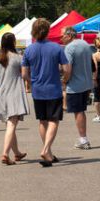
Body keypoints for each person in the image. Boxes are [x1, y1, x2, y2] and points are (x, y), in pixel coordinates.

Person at [21, 18, 71, 167]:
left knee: (42, 121)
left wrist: (31, 82)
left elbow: (24, 74)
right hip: (53, 89)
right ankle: (46, 149)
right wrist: (64, 80)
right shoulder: (56, 48)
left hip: (38, 91)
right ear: (48, 30)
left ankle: (48, 152)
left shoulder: (29, 49)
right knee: (53, 120)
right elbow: (67, 69)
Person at [0, 33, 29, 165]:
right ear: (13, 42)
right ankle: (5, 154)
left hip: (0, 93)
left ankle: (17, 153)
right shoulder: (19, 58)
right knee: (12, 124)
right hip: (14, 93)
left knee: (9, 125)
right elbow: (24, 75)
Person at [61, 26, 94, 150]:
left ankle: (83, 139)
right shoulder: (85, 44)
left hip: (75, 85)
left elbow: (67, 69)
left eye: (62, 36)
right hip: (85, 83)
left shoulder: (69, 48)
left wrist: (64, 80)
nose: (61, 38)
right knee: (81, 111)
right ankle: (83, 137)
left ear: (69, 35)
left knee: (78, 112)